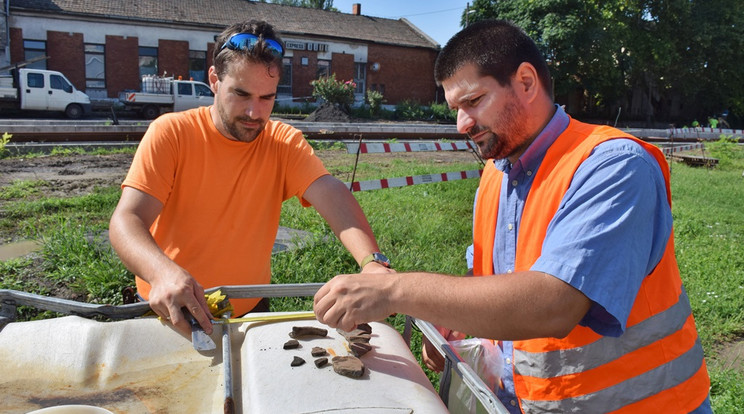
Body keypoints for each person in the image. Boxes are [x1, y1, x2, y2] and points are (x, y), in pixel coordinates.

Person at [314, 19, 712, 413]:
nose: (462, 125)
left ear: (525, 81)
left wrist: (393, 291)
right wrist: (453, 319)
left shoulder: (614, 166)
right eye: (456, 109)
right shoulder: (497, 173)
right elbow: (492, 279)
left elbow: (553, 304)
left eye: (473, 102)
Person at [109, 20, 393, 338]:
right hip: (169, 308)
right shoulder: (172, 133)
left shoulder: (282, 142)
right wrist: (161, 272)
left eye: (266, 98)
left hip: (249, 311)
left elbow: (331, 193)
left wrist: (373, 263)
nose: (254, 112)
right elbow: (127, 219)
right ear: (214, 80)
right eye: (241, 94)